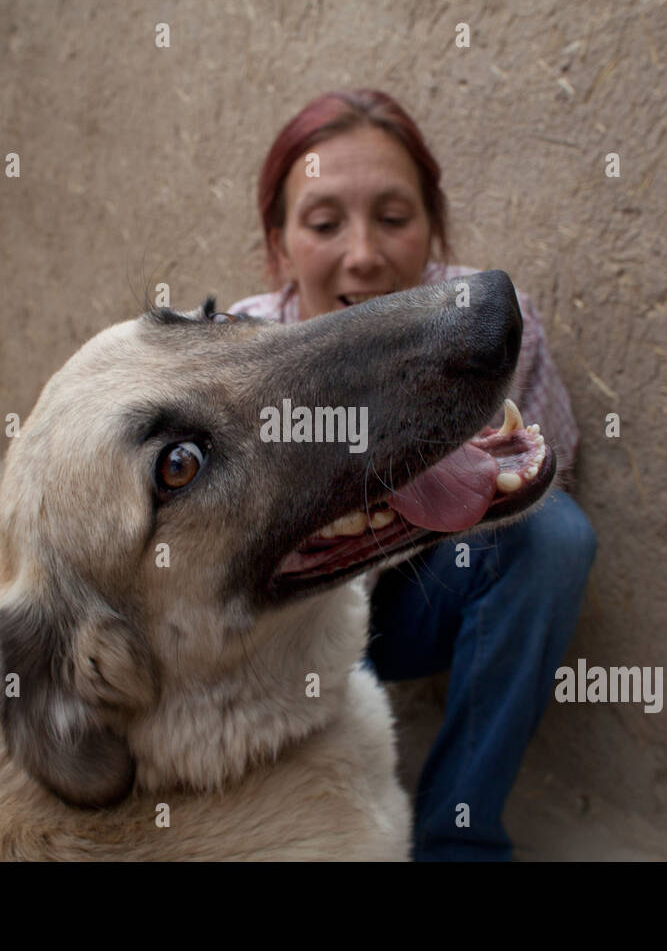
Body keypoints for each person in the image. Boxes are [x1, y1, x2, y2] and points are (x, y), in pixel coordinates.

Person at [228, 89, 597, 861]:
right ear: (282, 244)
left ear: (432, 229)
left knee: (554, 538)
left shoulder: (494, 327)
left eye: (394, 219)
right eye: (325, 224)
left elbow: (539, 482)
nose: (364, 254)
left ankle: (458, 839)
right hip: (292, 635)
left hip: (419, 610)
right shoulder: (242, 363)